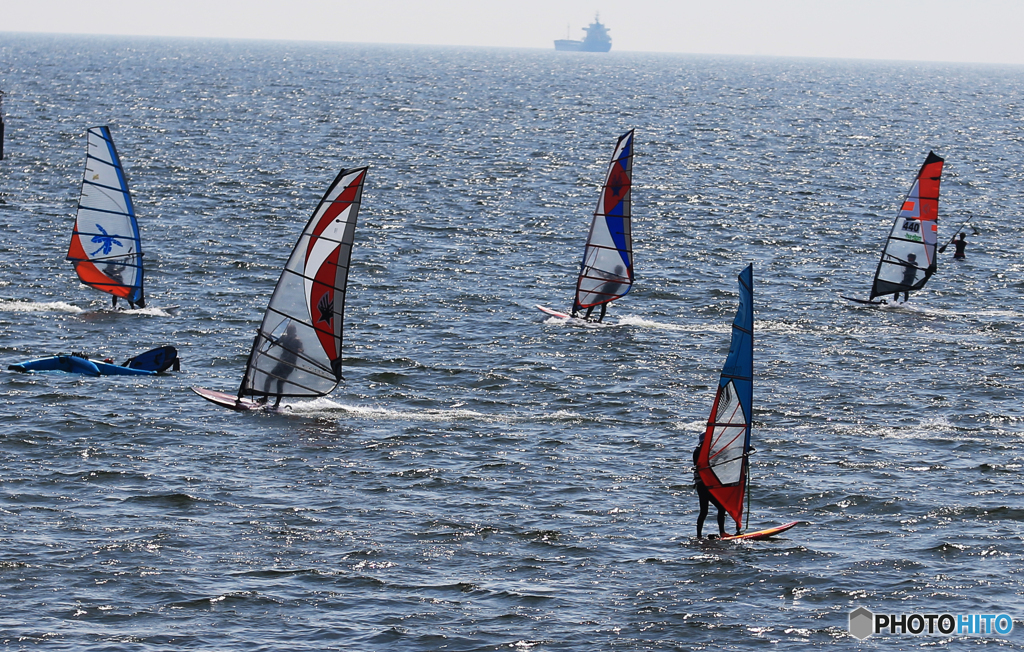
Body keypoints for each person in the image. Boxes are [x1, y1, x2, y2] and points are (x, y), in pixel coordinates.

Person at [260, 323, 303, 408]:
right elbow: (275, 343)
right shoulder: (284, 337)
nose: (289, 332)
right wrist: (268, 336)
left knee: (280, 383)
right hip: (281, 363)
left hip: (289, 365)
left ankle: (277, 404)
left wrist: (299, 350)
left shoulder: (297, 340)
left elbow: (302, 350)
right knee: (269, 379)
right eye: (288, 331)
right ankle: (265, 398)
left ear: (294, 332)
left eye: (290, 331)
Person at [693, 436, 727, 539]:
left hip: (710, 485)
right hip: (702, 485)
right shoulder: (698, 452)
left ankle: (722, 532)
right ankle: (699, 536)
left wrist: (744, 451)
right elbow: (703, 462)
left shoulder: (709, 451)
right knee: (704, 511)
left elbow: (723, 455)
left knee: (722, 508)